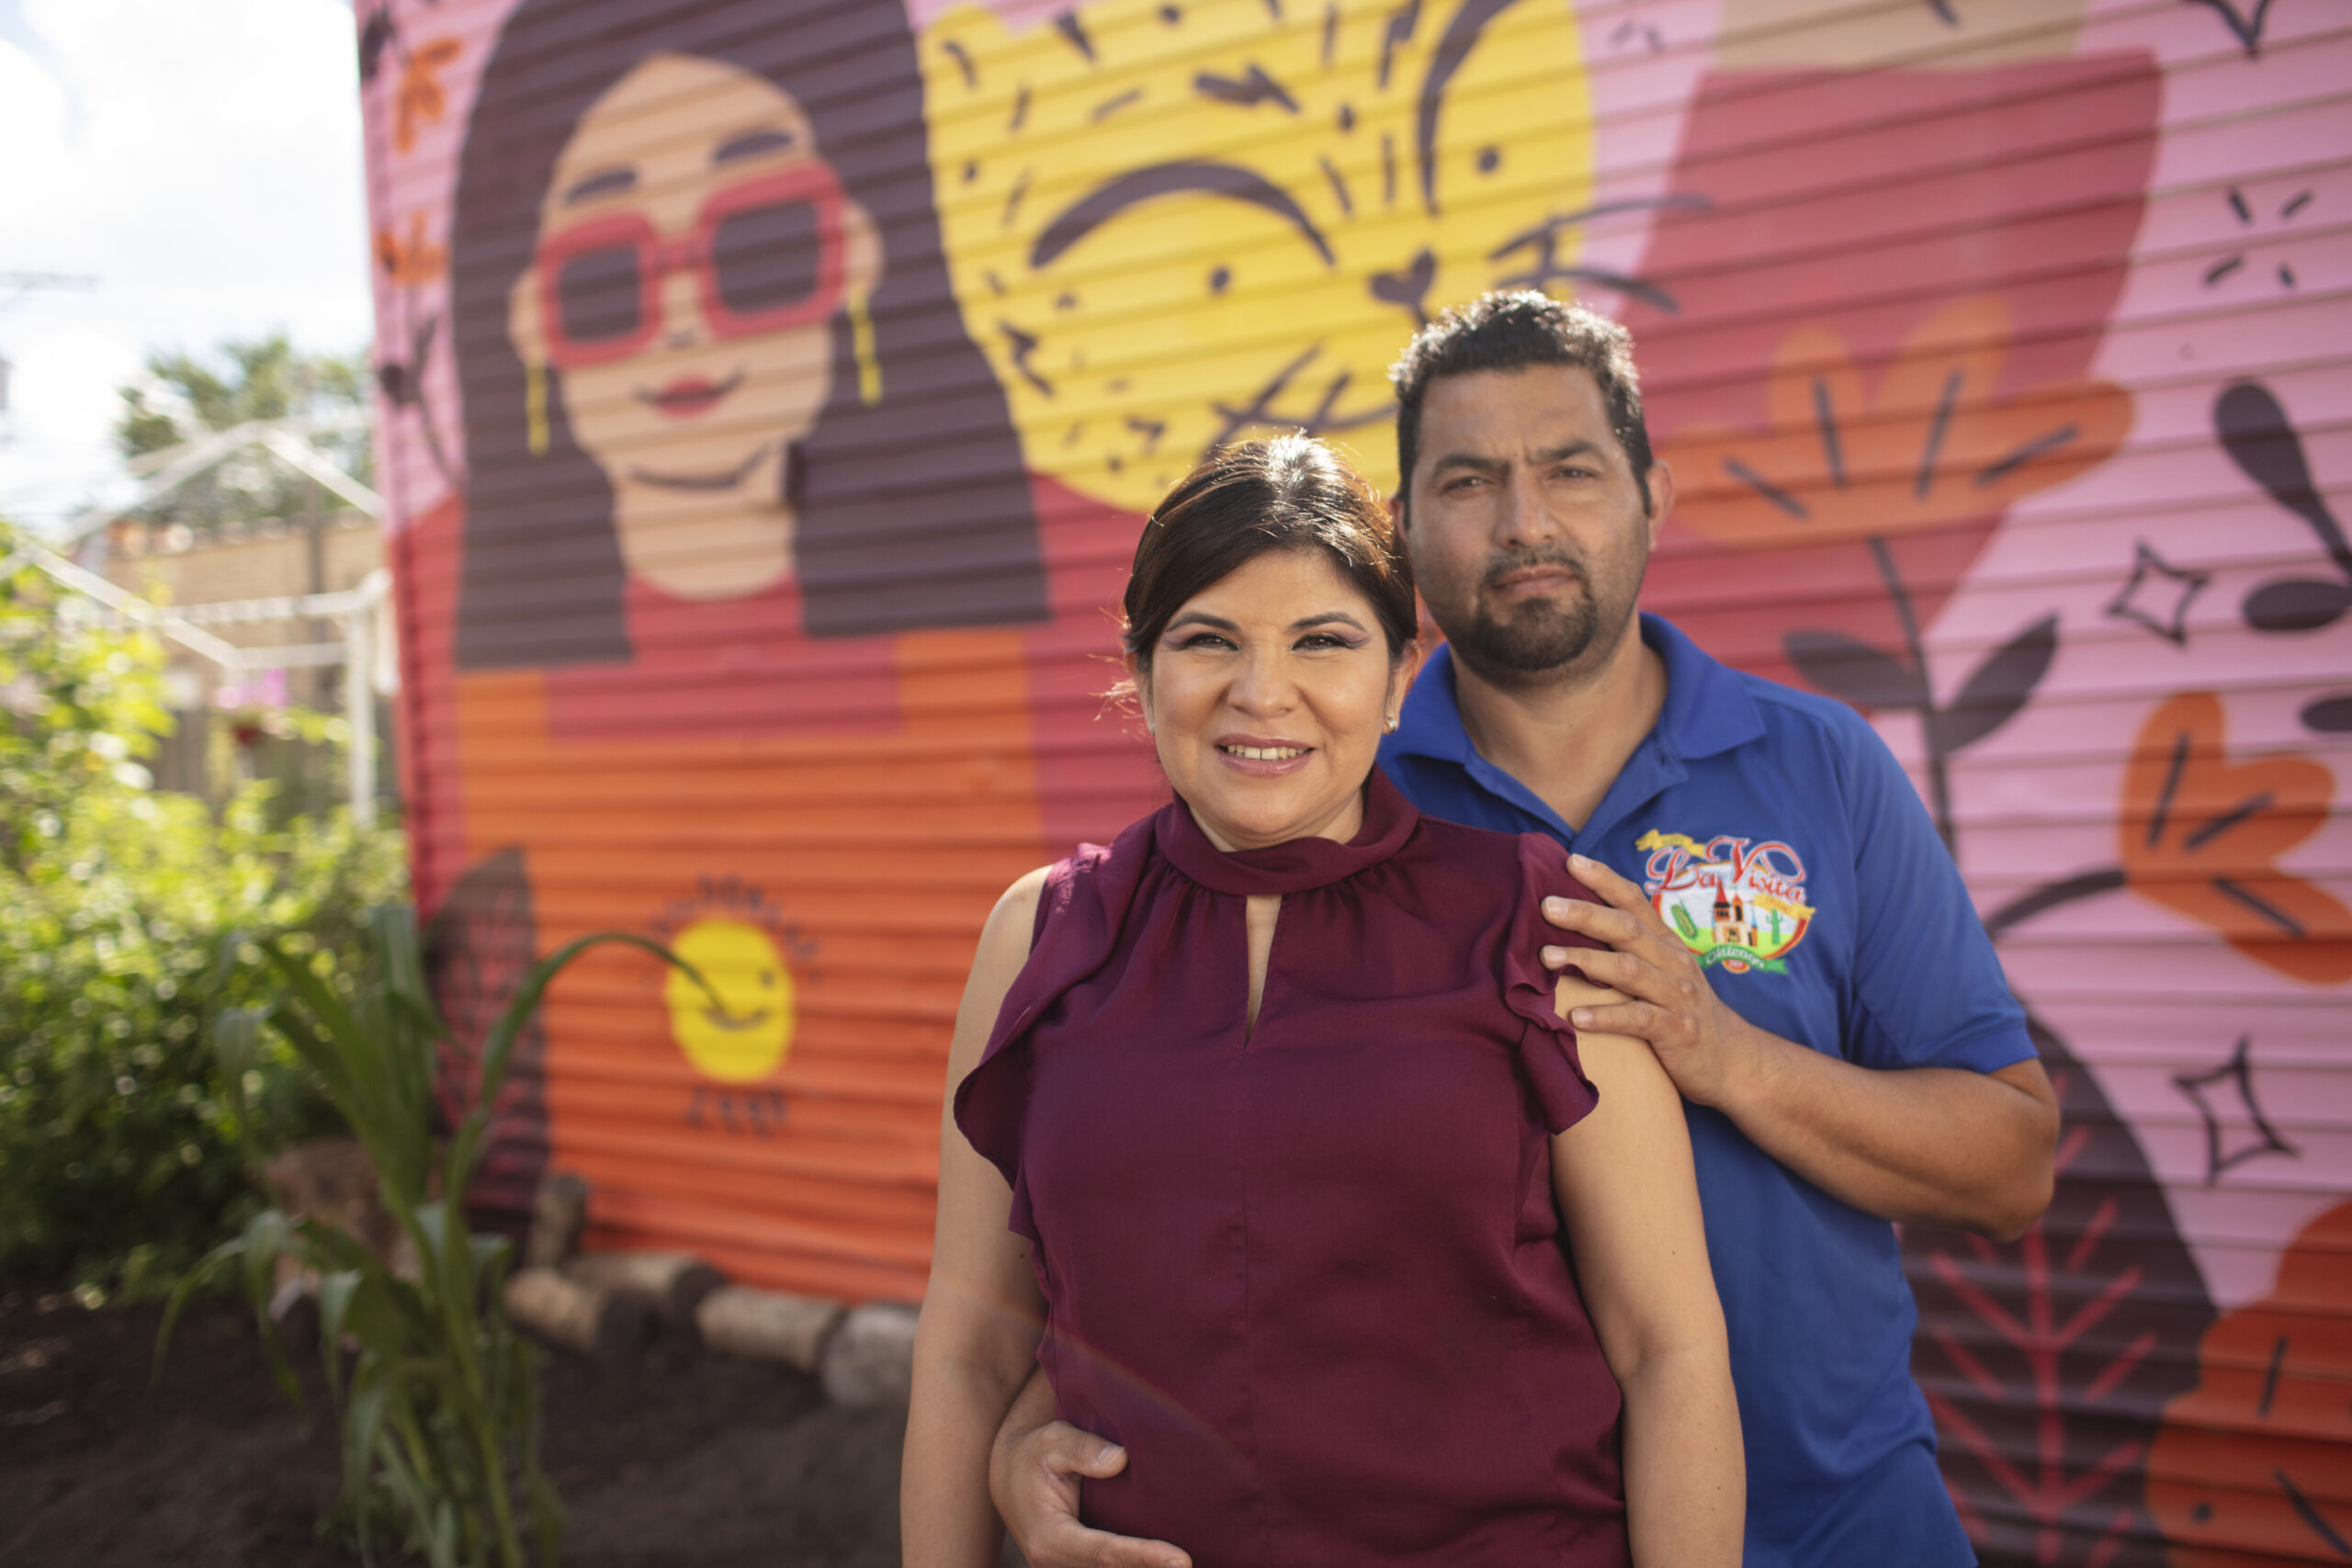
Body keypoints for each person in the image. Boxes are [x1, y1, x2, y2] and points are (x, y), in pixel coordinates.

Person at [990, 294, 2062, 1567]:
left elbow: (2012, 1164)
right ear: (1405, 528)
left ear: (1652, 493)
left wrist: (1725, 1053)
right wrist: (1032, 1425)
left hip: (1839, 1515)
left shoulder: (1819, 767)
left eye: (1569, 468)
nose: (1525, 520)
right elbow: (1198, 1177)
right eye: (1468, 479)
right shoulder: (1329, 797)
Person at [904, 435, 1743, 1566]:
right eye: (1208, 640)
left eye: (1323, 642)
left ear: (1399, 678)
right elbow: (968, 1347)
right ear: (1141, 669)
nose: (1263, 694)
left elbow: (1669, 1348)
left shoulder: (1536, 922)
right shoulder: (1042, 936)